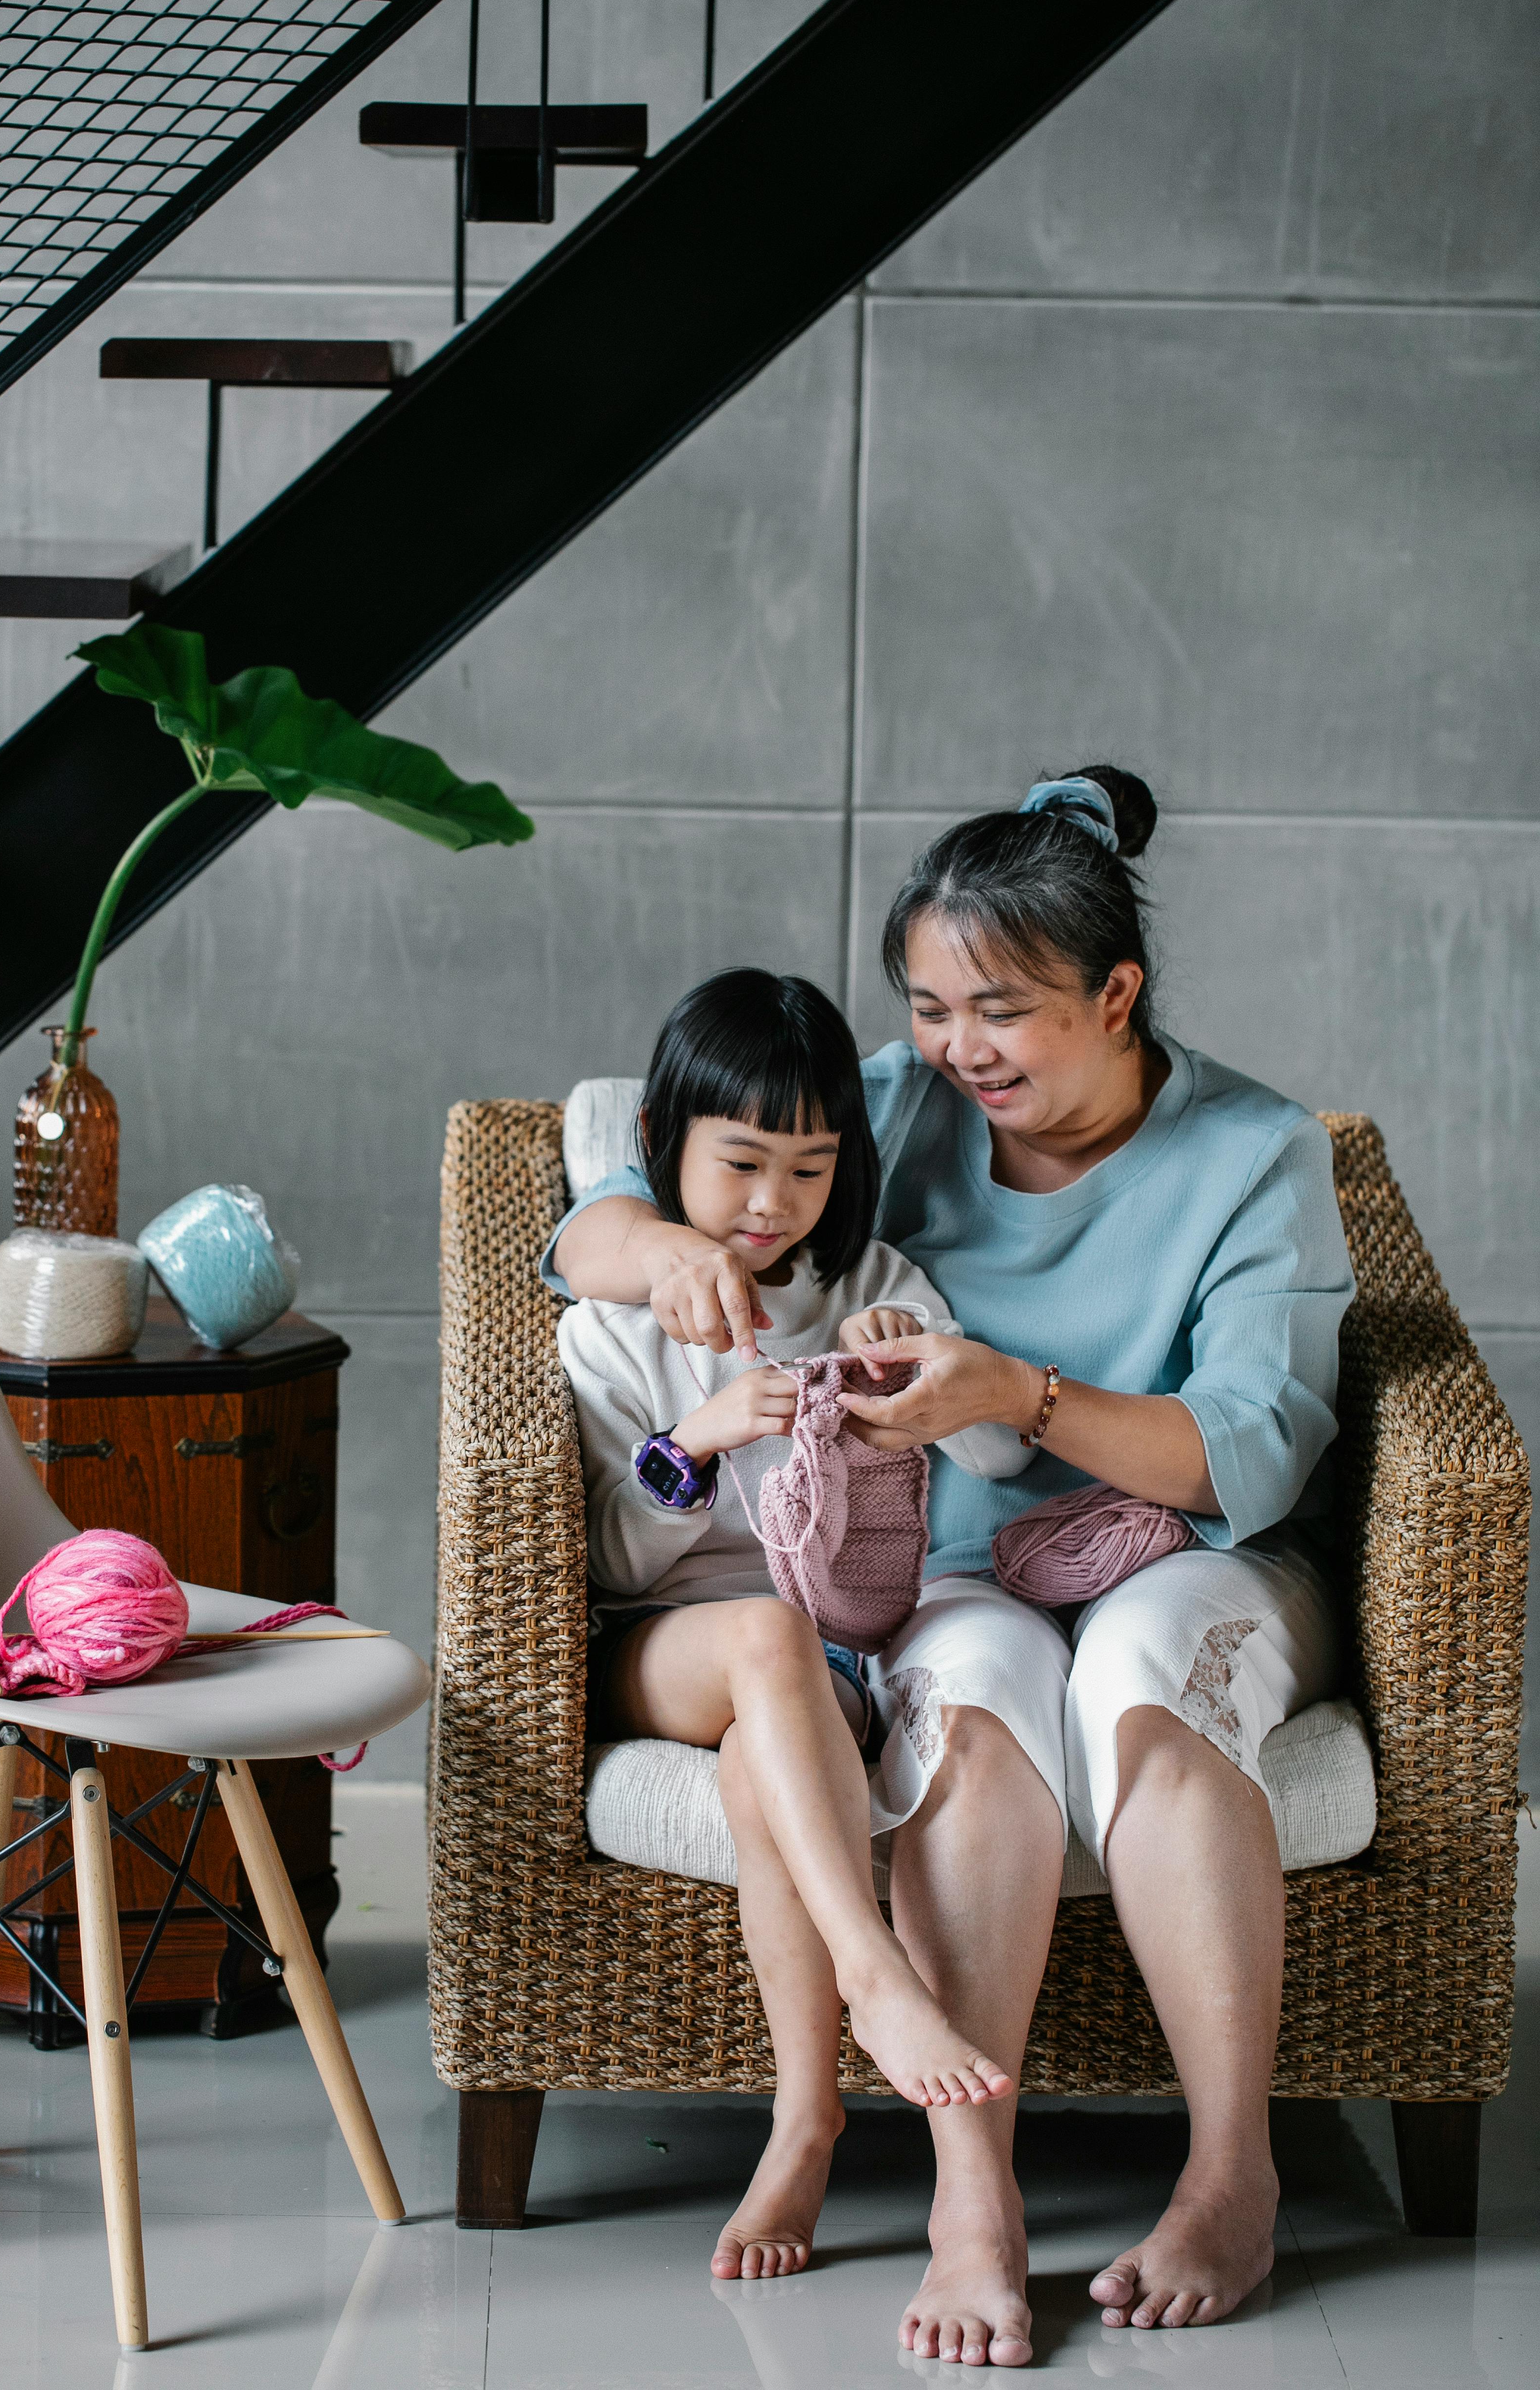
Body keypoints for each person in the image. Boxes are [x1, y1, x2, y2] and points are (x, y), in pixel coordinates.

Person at [546, 768, 1356, 2368]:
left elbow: (1253, 1451)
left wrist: (1023, 1397)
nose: (957, 1048)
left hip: (1188, 1552)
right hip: (957, 1572)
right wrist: (683, 1261)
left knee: (1131, 1684)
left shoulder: (1258, 1154)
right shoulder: (902, 1107)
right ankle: (970, 2194)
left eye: (1002, 1010)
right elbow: (621, 1199)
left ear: (1116, 996)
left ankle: (1229, 2176)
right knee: (976, 1696)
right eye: (927, 1008)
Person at [560, 967, 1035, 2282]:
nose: (775, 1204)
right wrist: (693, 1445)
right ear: (665, 1146)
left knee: (788, 1753)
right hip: (665, 1645)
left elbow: (999, 1458)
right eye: (743, 1164)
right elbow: (604, 1557)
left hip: (827, 1662)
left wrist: (921, 1378)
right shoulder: (612, 1327)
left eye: (812, 1169)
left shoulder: (874, 1280)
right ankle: (878, 1984)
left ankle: (807, 2121)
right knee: (768, 1642)